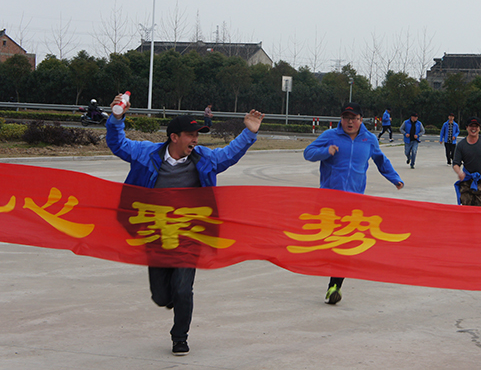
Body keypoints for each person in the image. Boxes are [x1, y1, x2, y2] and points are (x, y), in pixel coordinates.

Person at [106, 93, 264, 356]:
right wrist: (117, 117)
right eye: (190, 135)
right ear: (174, 137)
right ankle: (171, 300)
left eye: (197, 135)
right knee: (161, 296)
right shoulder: (146, 154)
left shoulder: (203, 158)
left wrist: (249, 133)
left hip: (189, 234)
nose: (195, 140)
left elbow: (228, 155)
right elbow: (117, 143)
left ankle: (180, 337)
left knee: (182, 288)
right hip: (155, 233)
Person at [303, 102, 404, 305]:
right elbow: (308, 153)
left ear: (360, 119)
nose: (350, 122)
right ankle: (332, 272)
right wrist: (326, 152)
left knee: (346, 242)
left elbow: (381, 160)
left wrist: (394, 178)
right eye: (346, 118)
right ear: (341, 119)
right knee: (327, 242)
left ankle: (335, 286)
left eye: (354, 118)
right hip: (329, 201)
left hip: (354, 201)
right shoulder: (330, 136)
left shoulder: (369, 139)